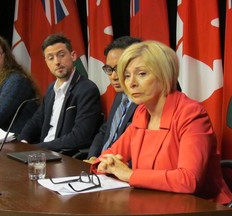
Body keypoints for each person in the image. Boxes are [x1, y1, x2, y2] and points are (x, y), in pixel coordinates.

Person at [91, 40, 232, 204]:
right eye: (127, 75)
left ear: (164, 74)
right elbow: (106, 156)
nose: (131, 83)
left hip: (201, 206)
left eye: (142, 74)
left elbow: (188, 180)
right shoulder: (142, 113)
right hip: (152, 202)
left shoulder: (190, 114)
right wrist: (105, 163)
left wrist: (129, 175)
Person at [18, 34, 102, 153]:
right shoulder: (51, 88)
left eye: (61, 55)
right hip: (43, 152)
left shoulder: (87, 89)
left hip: (64, 155)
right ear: (46, 62)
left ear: (73, 56)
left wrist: (40, 147)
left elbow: (80, 137)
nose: (57, 62)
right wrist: (23, 141)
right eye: (51, 58)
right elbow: (36, 120)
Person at [84, 36, 141, 164]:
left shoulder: (145, 102)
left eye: (119, 68)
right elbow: (105, 130)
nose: (113, 76)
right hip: (99, 165)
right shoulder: (120, 96)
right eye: (109, 70)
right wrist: (92, 156)